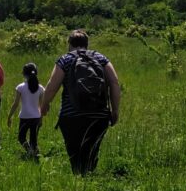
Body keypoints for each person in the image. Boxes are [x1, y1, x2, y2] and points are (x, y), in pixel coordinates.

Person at [41, 29, 120, 174]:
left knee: (75, 152)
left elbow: (52, 86)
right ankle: (89, 178)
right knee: (92, 150)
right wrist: (115, 110)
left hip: (71, 116)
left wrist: (45, 104)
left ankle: (79, 181)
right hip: (99, 115)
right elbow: (114, 83)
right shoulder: (101, 58)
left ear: (69, 44)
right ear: (87, 44)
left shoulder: (65, 59)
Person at [7, 62, 45, 158]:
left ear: (24, 74)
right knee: (33, 139)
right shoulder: (40, 88)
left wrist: (9, 116)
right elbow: (41, 106)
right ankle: (34, 152)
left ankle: (30, 151)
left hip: (24, 117)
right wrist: (41, 119)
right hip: (36, 117)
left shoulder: (20, 87)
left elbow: (15, 104)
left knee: (21, 137)